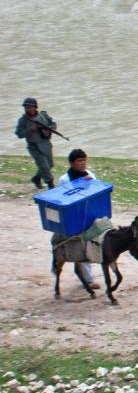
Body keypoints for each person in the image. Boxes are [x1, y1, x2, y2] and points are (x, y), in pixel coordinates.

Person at [52, 148, 101, 290]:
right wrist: (81, 183)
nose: (82, 163)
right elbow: (64, 197)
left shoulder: (90, 174)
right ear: (72, 163)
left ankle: (88, 277)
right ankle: (87, 278)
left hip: (88, 215)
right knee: (77, 245)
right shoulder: (64, 179)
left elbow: (95, 191)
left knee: (91, 244)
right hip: (73, 218)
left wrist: (91, 183)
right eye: (79, 161)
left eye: (84, 160)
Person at [15, 97, 57, 189]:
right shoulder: (22, 120)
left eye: (31, 107)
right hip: (33, 146)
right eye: (27, 107)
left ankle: (36, 178)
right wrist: (31, 129)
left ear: (35, 107)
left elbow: (53, 124)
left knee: (49, 165)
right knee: (44, 166)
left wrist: (49, 130)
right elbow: (19, 134)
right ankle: (51, 185)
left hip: (45, 143)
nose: (29, 109)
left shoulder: (43, 115)